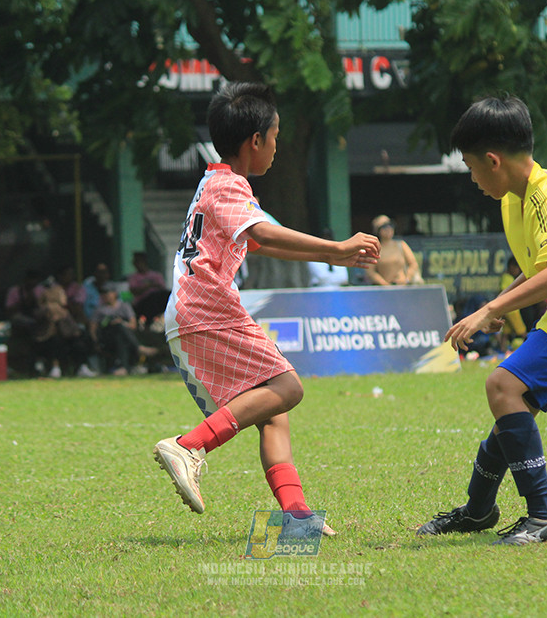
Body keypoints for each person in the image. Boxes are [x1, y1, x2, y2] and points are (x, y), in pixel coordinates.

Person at [152, 82, 379, 538]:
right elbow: (268, 235)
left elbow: (259, 240)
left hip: (192, 312)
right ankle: (188, 446)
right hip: (209, 308)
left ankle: (296, 518)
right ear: (255, 140)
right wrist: (338, 248)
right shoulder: (229, 186)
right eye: (276, 136)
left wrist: (332, 256)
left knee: (273, 410)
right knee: (288, 387)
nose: (277, 146)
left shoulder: (213, 182)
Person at [415, 96, 547, 545]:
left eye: (472, 167)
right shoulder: (518, 196)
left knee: (501, 386)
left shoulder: (546, 197)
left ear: (493, 161)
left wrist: (491, 309)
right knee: (513, 413)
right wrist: (500, 304)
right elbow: (539, 266)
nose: (473, 178)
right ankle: (478, 511)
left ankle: (545, 516)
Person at [90, 283, 155, 375]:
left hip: (123, 336)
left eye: (108, 293)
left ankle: (123, 368)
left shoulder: (124, 306)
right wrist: (96, 342)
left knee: (120, 334)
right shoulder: (99, 310)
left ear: (115, 294)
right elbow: (93, 328)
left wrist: (121, 323)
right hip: (107, 338)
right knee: (117, 327)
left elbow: (133, 325)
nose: (105, 296)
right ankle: (138, 348)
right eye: (103, 294)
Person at [364, 214, 420, 286]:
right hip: (385, 291)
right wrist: (385, 284)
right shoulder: (374, 249)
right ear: (378, 231)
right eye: (384, 226)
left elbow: (413, 264)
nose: (388, 229)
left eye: (390, 225)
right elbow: (370, 272)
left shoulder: (401, 245)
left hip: (402, 288)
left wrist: (407, 279)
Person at [496, 257, 528, 354]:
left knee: (506, 331)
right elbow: (506, 292)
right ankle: (528, 348)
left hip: (507, 309)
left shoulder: (507, 277)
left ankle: (503, 349)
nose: (518, 271)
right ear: (511, 267)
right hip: (512, 310)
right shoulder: (507, 278)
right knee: (522, 330)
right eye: (517, 268)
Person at [128, 252, 170, 323]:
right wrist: (149, 286)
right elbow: (134, 291)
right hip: (143, 303)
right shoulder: (133, 277)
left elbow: (162, 288)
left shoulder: (156, 275)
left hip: (158, 301)